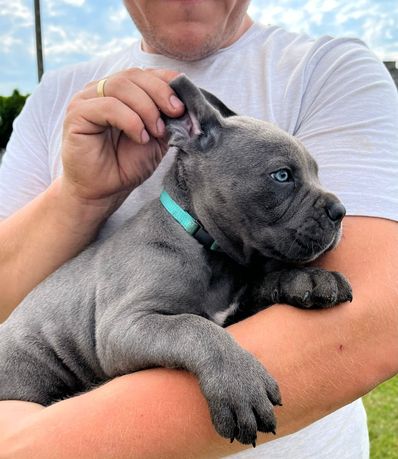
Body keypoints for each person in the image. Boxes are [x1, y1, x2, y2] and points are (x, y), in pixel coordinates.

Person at [0, 1, 397, 457]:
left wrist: (279, 283)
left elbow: (375, 312)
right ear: (189, 135)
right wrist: (77, 194)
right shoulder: (158, 247)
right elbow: (122, 332)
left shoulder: (328, 68)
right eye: (284, 178)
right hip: (26, 382)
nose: (329, 206)